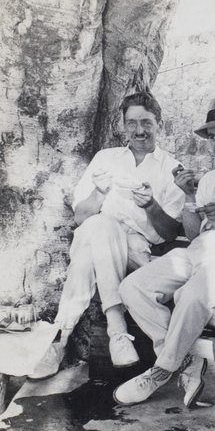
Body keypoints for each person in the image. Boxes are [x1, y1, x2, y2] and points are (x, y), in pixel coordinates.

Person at [113, 96, 215, 408]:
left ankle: (161, 370)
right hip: (196, 253)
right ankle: (188, 360)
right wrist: (189, 196)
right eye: (213, 138)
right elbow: (191, 234)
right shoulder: (211, 179)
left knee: (191, 295)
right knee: (131, 287)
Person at [29, 92, 186, 380]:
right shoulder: (106, 158)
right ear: (123, 125)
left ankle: (59, 341)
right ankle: (118, 334)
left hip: (138, 257)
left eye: (147, 123)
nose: (139, 131)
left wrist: (151, 205)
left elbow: (168, 233)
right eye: (132, 123)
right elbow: (80, 216)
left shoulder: (172, 169)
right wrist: (100, 191)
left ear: (160, 125)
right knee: (101, 226)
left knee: (93, 243)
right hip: (99, 238)